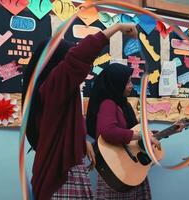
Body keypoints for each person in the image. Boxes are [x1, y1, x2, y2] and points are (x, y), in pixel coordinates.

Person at [22, 23, 138, 200]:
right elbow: (79, 57)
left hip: (65, 173)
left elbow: (65, 123)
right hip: (60, 179)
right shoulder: (52, 87)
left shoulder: (56, 94)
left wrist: (80, 140)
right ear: (56, 64)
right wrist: (117, 27)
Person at [86, 62, 160, 200]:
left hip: (130, 170)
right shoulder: (108, 104)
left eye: (131, 81)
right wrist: (141, 136)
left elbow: (130, 132)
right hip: (118, 173)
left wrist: (150, 135)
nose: (131, 85)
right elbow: (107, 131)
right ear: (115, 84)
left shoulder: (124, 104)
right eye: (127, 82)